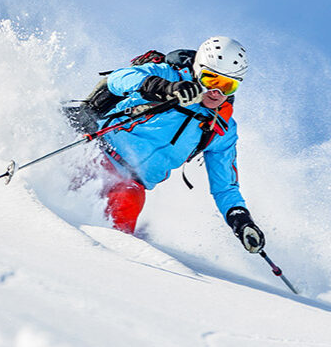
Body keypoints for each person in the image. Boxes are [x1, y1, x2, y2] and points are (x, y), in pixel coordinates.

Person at [72, 36, 265, 254]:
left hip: (130, 183)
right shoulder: (169, 74)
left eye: (228, 86)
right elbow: (118, 79)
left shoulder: (221, 129)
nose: (217, 92)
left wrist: (241, 220)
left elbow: (225, 187)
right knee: (68, 183)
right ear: (198, 70)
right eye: (211, 80)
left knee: (124, 212)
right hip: (95, 150)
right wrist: (163, 87)